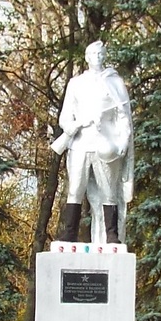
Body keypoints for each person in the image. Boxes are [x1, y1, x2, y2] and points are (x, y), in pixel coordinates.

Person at [51, 41, 134, 242]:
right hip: (80, 143)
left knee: (108, 190)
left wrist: (124, 140)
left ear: (104, 56)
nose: (97, 57)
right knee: (75, 190)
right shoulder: (76, 83)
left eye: (100, 53)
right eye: (93, 53)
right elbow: (64, 118)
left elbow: (124, 116)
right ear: (87, 57)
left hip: (105, 144)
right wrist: (75, 124)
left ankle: (112, 235)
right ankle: (69, 233)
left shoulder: (115, 83)